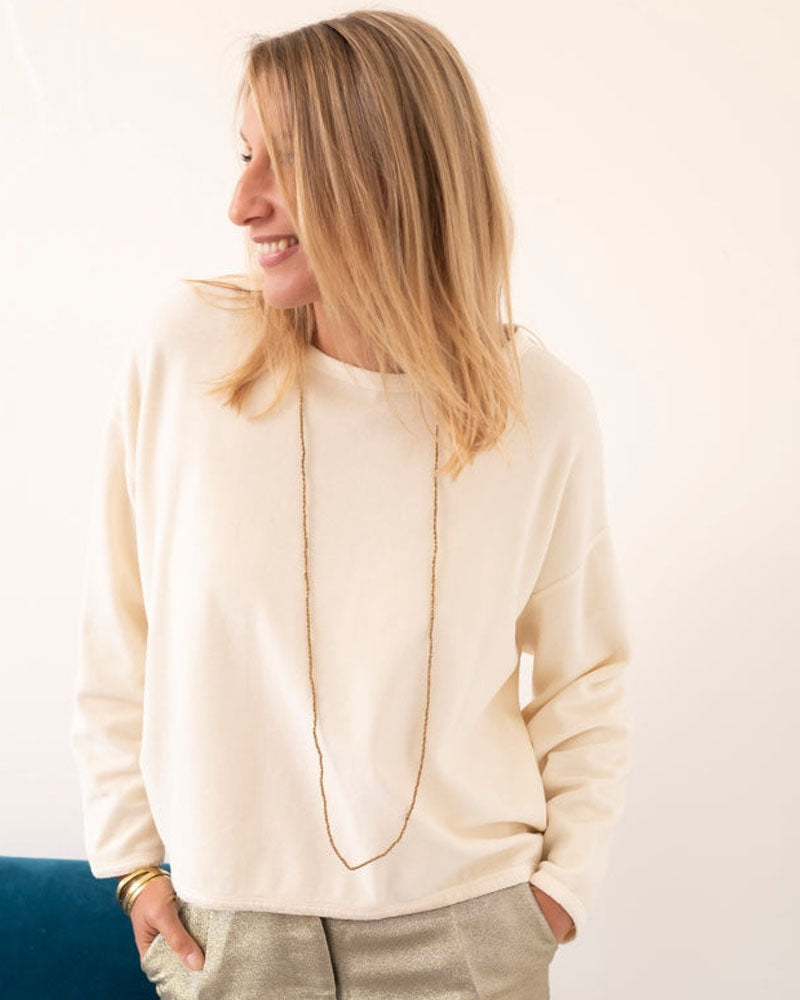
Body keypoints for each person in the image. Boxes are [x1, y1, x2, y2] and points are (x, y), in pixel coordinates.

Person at [70, 10, 632, 999]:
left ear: (392, 173)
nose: (241, 202)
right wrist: (131, 863)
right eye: (244, 154)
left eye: (285, 160)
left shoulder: (540, 409)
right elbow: (119, 629)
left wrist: (559, 889)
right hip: (231, 932)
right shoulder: (183, 357)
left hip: (471, 930)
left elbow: (585, 673)